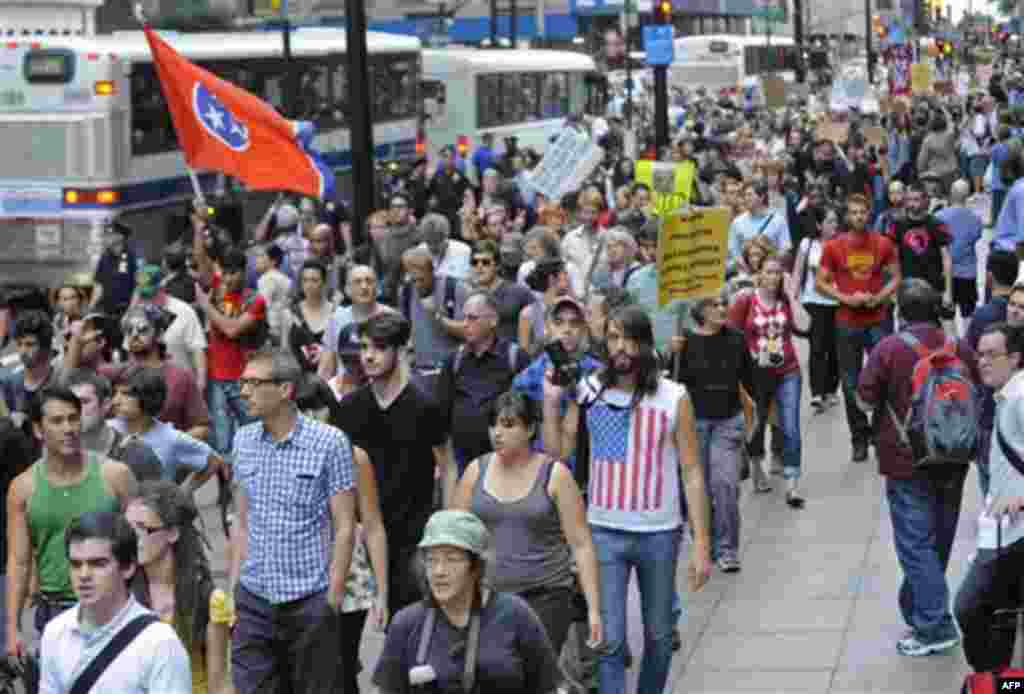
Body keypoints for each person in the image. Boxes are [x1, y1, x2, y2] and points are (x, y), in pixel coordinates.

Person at [542, 305, 712, 694]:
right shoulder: (588, 392)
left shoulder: (674, 397)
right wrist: (552, 403)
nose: (621, 347)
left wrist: (701, 543)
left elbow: (692, 471)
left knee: (659, 637)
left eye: (630, 339)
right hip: (604, 533)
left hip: (660, 534)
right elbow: (558, 453)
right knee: (610, 641)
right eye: (614, 337)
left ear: (645, 344)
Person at [858, 279, 979, 657]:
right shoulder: (958, 346)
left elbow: (864, 400)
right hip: (955, 455)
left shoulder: (889, 348)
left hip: (905, 459)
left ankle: (934, 626)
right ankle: (920, 607)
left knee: (914, 543)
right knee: (938, 538)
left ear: (900, 312)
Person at [228, 349, 355, 694]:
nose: (244, 392)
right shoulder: (243, 441)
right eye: (243, 383)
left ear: (285, 390)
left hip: (309, 601)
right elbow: (240, 520)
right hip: (254, 599)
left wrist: (333, 595)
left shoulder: (330, 443)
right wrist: (234, 587)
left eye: (254, 383)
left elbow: (345, 525)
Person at [454, 391, 602, 658]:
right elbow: (454, 537)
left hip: (546, 597)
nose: (497, 433)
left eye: (508, 425)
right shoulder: (476, 471)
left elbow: (581, 544)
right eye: (494, 424)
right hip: (489, 597)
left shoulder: (555, 475)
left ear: (530, 429)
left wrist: (593, 609)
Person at [332, 313, 455, 616]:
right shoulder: (349, 408)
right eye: (364, 348)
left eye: (379, 348)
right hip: (360, 537)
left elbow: (448, 466)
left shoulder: (425, 406)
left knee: (407, 632)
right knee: (342, 641)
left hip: (411, 535)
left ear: (399, 351)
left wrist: (446, 523)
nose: (369, 356)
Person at [6, 387, 139, 658]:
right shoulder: (23, 488)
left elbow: (142, 548)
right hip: (53, 613)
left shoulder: (115, 476)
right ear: (38, 430)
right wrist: (12, 628)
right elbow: (18, 562)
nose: (68, 428)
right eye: (56, 421)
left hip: (112, 608)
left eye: (73, 418)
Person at [372, 510, 563, 694]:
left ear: (477, 567)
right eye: (431, 560)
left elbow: (547, 687)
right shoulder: (407, 623)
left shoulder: (515, 615)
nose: (439, 571)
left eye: (452, 559)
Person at [38, 511, 191, 694]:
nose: (84, 575)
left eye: (98, 564)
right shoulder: (55, 633)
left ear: (128, 567)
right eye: (76, 564)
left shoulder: (160, 643)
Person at [954, 322, 1024, 672]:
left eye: (991, 355)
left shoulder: (1021, 398)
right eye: (979, 354)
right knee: (1001, 614)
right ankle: (1002, 683)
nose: (982, 362)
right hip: (1003, 534)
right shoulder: (1006, 397)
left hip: (1014, 535)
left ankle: (995, 682)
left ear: (1014, 358)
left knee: (968, 608)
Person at [673, 295, 756, 569]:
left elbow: (750, 380)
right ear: (699, 311)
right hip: (694, 424)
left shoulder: (736, 339)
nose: (722, 309)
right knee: (700, 489)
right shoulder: (683, 342)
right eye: (714, 305)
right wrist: (672, 355)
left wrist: (752, 419)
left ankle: (727, 549)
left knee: (726, 485)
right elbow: (671, 386)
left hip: (727, 423)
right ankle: (703, 543)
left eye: (724, 304)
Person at [818, 193, 901, 463]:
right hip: (847, 321)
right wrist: (845, 298)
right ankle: (859, 437)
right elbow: (821, 283)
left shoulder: (883, 243)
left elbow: (896, 277)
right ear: (847, 215)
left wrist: (881, 297)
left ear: (869, 213)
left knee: (885, 376)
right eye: (853, 212)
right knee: (849, 381)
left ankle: (881, 431)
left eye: (862, 212)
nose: (858, 217)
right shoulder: (833, 246)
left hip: (877, 319)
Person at [126, 482, 232, 694]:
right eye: (127, 529)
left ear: (172, 533)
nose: (132, 539)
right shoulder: (120, 595)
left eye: (142, 528)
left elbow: (218, 685)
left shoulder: (209, 599)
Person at [65, 303, 211, 442]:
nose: (134, 335)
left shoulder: (180, 376)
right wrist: (77, 341)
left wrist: (169, 443)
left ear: (159, 334)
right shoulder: (115, 372)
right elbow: (69, 378)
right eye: (129, 330)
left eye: (142, 329)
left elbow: (202, 426)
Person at [728, 253, 806, 506]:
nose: (773, 276)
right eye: (768, 271)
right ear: (759, 275)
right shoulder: (745, 300)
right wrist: (749, 354)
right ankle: (757, 466)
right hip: (756, 373)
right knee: (757, 423)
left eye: (777, 272)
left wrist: (793, 296)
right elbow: (732, 335)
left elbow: (805, 326)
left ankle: (792, 482)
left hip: (788, 370)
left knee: (790, 426)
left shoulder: (785, 300)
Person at [192, 240, 268, 459]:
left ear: (244, 272)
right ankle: (227, 491)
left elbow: (232, 330)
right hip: (218, 379)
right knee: (222, 444)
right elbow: (201, 259)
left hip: (246, 381)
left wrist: (206, 306)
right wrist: (198, 226)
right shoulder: (218, 288)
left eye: (233, 273)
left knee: (255, 439)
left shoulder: (255, 300)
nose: (227, 278)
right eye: (224, 273)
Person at [438, 292, 529, 473]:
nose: (465, 324)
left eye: (472, 318)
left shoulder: (515, 358)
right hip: (462, 461)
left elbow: (528, 411)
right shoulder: (454, 360)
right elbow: (442, 414)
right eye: (464, 318)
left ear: (493, 321)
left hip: (506, 460)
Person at [110, 366, 221, 492]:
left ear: (147, 397)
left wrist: (184, 492)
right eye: (115, 393)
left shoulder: (170, 438)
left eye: (125, 394)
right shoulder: (108, 429)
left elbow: (213, 461)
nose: (115, 401)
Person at [793, 205, 841, 412]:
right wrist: (793, 299)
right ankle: (817, 392)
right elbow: (797, 272)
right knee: (817, 348)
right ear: (819, 225)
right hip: (812, 302)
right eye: (830, 221)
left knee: (835, 349)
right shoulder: (807, 243)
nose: (834, 225)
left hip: (838, 302)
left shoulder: (842, 244)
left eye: (835, 221)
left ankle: (831, 389)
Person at [132, 264, 208, 385]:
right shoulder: (136, 315)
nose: (148, 299)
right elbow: (132, 354)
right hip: (148, 388)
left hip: (181, 385)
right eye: (144, 295)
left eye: (151, 293)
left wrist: (201, 381)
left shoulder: (183, 310)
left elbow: (197, 348)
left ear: (162, 287)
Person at [399, 246, 467, 373]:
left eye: (421, 279)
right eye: (413, 280)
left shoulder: (454, 288)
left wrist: (437, 316)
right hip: (419, 369)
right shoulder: (406, 291)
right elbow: (406, 330)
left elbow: (468, 331)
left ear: (432, 271)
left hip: (452, 370)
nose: (418, 285)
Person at [469, 241, 535, 344]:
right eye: (474, 262)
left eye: (485, 262)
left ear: (497, 265)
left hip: (512, 356)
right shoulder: (469, 295)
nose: (479, 266)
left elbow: (538, 329)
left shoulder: (519, 292)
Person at [936, 180, 984, 320]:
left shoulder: (939, 217)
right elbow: (976, 237)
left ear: (951, 193)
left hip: (945, 273)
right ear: (967, 195)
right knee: (968, 316)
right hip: (967, 273)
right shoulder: (975, 219)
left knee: (947, 318)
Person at [282, 260, 338, 374]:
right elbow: (285, 352)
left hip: (330, 380)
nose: (309, 285)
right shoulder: (290, 314)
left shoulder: (336, 312)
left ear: (324, 282)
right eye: (305, 280)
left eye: (314, 280)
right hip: (300, 381)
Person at [727, 180, 792, 275]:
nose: (746, 199)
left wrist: (769, 257)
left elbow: (785, 250)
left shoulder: (778, 220)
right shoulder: (737, 222)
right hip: (746, 276)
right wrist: (748, 269)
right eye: (744, 195)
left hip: (771, 276)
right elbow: (734, 252)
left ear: (761, 197)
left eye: (749, 195)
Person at [253, 244, 293, 347]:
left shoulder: (267, 279)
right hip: (286, 328)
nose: (256, 260)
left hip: (273, 332)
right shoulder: (284, 278)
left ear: (273, 261)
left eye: (261, 256)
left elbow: (261, 307)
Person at [418, 213, 471, 282]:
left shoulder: (463, 251)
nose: (432, 247)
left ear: (446, 236)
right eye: (428, 242)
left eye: (437, 242)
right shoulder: (419, 251)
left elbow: (467, 282)